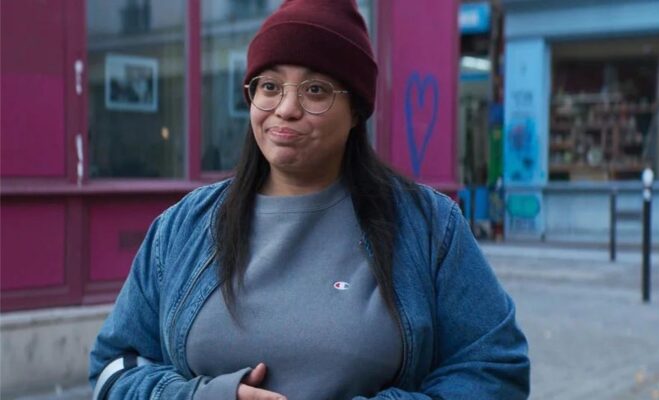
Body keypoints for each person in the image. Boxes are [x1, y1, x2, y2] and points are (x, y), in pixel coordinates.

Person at [89, 0, 530, 399]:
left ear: (356, 111)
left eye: (315, 90)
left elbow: (496, 367)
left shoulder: (427, 226)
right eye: (270, 86)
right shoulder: (184, 227)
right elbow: (113, 368)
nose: (286, 108)